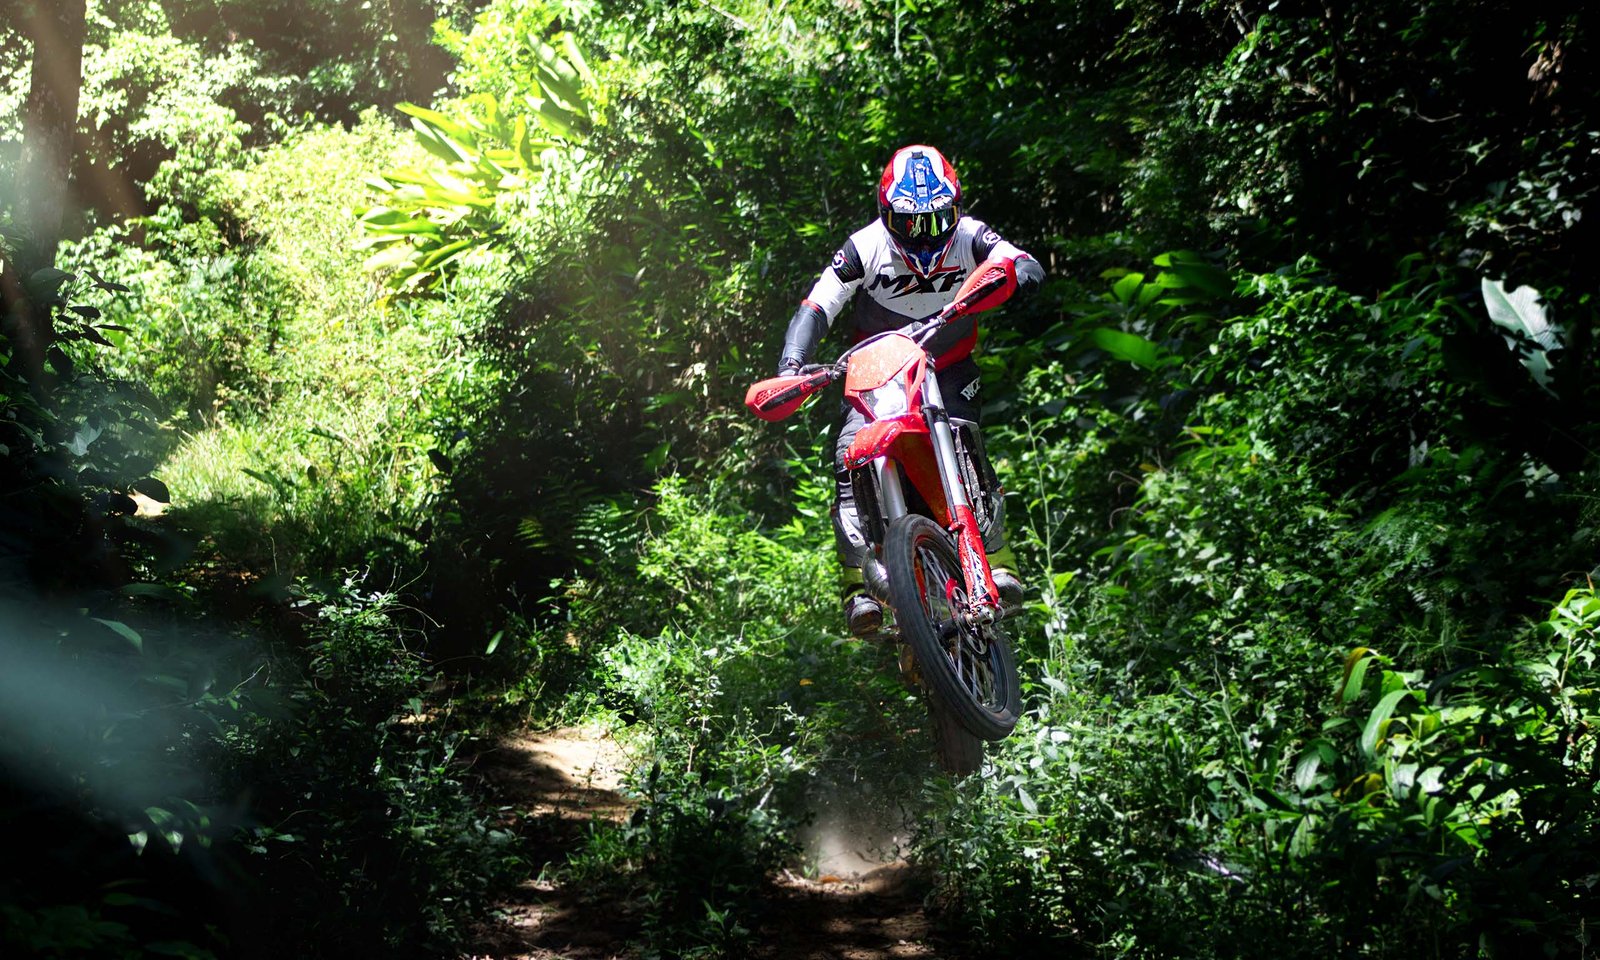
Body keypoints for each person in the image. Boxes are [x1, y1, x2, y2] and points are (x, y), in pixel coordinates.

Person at [776, 144, 1045, 636]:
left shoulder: (970, 235)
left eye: (936, 219)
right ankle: (857, 585)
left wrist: (1024, 271)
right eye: (911, 223)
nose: (925, 234)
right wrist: (792, 364)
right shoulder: (864, 246)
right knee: (848, 457)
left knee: (966, 442)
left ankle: (998, 560)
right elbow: (817, 306)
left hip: (948, 362)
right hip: (879, 368)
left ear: (955, 208)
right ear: (886, 215)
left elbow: (1015, 258)